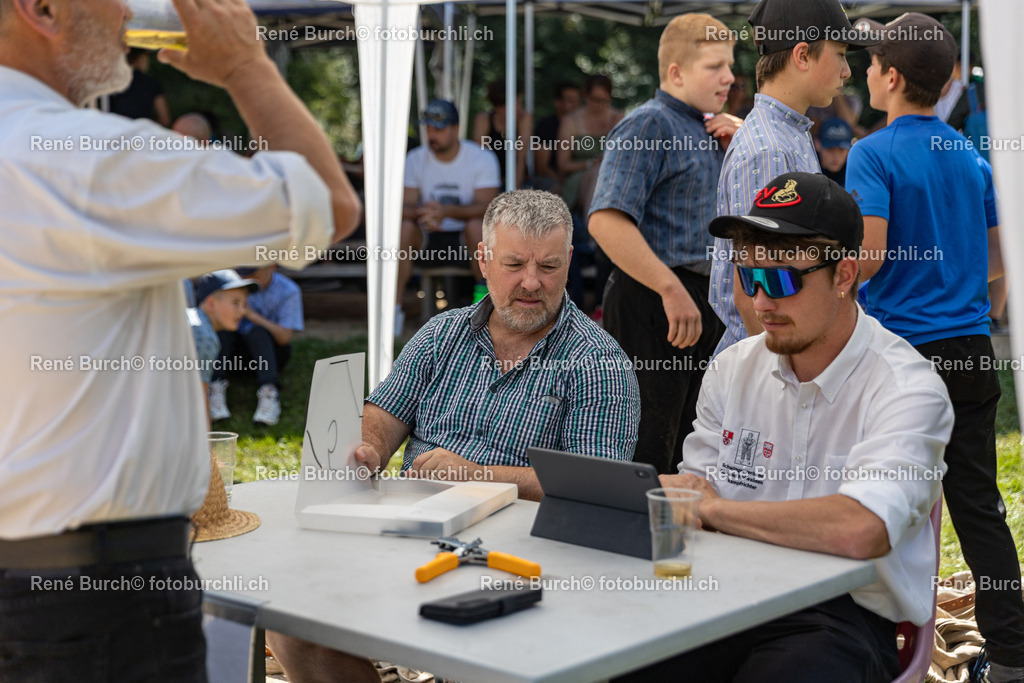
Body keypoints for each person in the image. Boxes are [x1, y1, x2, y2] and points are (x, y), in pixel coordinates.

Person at [0, 0, 361, 679]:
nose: (129, 11)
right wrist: (247, 67)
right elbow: (327, 206)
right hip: (98, 602)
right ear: (43, 9)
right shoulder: (88, 156)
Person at [268, 190, 640, 683]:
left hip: (516, 565)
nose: (532, 282)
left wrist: (476, 478)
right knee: (290, 615)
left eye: (549, 266)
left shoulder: (599, 363)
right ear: (482, 259)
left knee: (471, 650)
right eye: (514, 264)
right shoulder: (441, 335)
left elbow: (598, 491)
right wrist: (370, 447)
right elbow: (381, 414)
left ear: (570, 262)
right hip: (407, 538)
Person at [617, 172, 954, 683]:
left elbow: (861, 528)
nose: (759, 302)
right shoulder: (732, 370)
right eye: (749, 276)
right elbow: (693, 501)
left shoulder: (907, 388)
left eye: (780, 280)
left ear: (844, 275)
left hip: (840, 615)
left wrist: (711, 508)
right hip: (725, 595)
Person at [846, 14, 1024, 682]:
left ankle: (880, 647)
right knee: (980, 508)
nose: (863, 73)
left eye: (870, 64)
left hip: (903, 358)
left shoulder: (873, 152)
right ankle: (1009, 656)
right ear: (950, 79)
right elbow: (1003, 256)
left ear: (891, 77)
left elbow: (869, 256)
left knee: (881, 504)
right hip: (971, 349)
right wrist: (967, 298)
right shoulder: (969, 154)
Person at [588, 13, 740, 474]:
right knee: (645, 450)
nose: (729, 76)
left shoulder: (711, 129)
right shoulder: (648, 123)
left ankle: (675, 540)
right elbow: (606, 221)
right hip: (652, 300)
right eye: (714, 66)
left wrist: (741, 141)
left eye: (730, 64)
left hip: (697, 302)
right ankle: (627, 542)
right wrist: (669, 288)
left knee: (690, 449)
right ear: (676, 73)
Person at [708, 0, 879, 358]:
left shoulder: (789, 134)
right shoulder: (769, 151)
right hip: (767, 371)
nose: (847, 71)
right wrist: (791, 376)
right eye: (841, 54)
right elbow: (752, 292)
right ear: (802, 55)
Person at [398, 98, 501, 334]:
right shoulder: (415, 159)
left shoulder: (480, 158)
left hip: (467, 239)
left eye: (439, 129)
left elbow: (490, 208)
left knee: (478, 226)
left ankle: (484, 307)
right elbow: (402, 209)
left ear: (456, 128)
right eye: (428, 129)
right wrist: (425, 213)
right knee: (403, 228)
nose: (432, 135)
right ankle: (393, 310)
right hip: (426, 235)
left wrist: (446, 212)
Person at [209, 265, 304, 426]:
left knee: (257, 332)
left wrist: (252, 316)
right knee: (223, 332)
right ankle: (214, 389)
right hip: (233, 356)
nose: (246, 278)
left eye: (252, 273)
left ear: (271, 267)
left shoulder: (288, 290)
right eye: (243, 273)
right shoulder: (227, 285)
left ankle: (269, 393)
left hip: (271, 354)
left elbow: (284, 338)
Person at [190, 269, 258, 422]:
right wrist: (205, 444)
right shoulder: (204, 337)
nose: (242, 311)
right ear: (211, 303)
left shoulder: (191, 320)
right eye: (235, 303)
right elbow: (199, 399)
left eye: (244, 304)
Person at [557, 74, 623, 219]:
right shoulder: (571, 122)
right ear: (585, 96)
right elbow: (563, 164)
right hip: (579, 179)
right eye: (595, 99)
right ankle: (593, 229)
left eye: (604, 100)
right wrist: (590, 163)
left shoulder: (619, 119)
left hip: (612, 177)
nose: (599, 105)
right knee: (597, 173)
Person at [472, 79, 533, 189]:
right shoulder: (483, 120)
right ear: (499, 107)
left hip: (520, 181)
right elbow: (480, 158)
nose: (520, 108)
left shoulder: (524, 119)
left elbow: (521, 157)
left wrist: (513, 192)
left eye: (520, 102)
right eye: (516, 104)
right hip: (490, 182)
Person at [531, 81, 581, 191]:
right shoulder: (545, 126)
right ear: (558, 103)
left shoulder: (583, 125)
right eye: (570, 100)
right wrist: (562, 182)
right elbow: (541, 167)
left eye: (577, 100)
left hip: (578, 178)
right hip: (550, 180)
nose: (575, 105)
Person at [108, 47, 171, 126]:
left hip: (116, 131)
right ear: (141, 58)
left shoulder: (111, 82)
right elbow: (164, 118)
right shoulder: (151, 83)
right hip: (142, 134)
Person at [816, 117, 853, 187]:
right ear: (817, 145)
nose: (836, 156)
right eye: (830, 149)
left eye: (841, 150)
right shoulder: (807, 169)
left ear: (849, 150)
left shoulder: (855, 174)